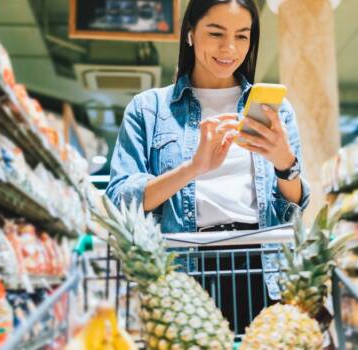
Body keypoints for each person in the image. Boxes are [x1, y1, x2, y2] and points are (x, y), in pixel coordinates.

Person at [106, 0, 310, 333]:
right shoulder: (148, 109)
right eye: (215, 33)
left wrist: (285, 163)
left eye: (242, 36)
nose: (229, 48)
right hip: (181, 270)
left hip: (260, 268)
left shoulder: (276, 110)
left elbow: (293, 204)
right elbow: (120, 200)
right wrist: (194, 167)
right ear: (190, 33)